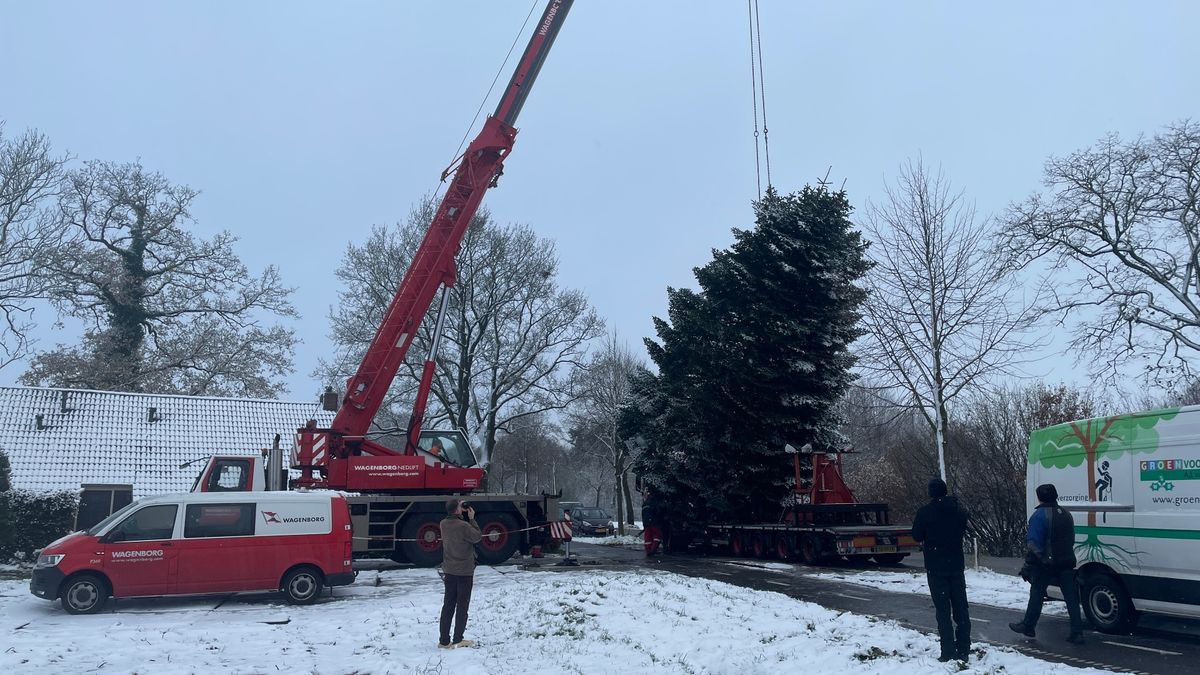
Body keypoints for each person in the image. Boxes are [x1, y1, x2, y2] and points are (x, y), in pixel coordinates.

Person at [1009, 483, 1085, 644]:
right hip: (1067, 561)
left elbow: (1033, 544)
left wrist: (1030, 564)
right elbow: (1071, 538)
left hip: (1046, 563)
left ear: (1039, 497)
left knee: (1037, 594)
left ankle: (1028, 625)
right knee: (1071, 597)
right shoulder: (1066, 514)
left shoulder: (1039, 516)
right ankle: (1077, 631)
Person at [911, 477, 972, 663]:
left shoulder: (925, 513)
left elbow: (916, 535)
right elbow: (963, 527)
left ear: (931, 493)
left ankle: (948, 651)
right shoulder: (959, 511)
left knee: (943, 610)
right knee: (961, 608)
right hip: (956, 565)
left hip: (936, 566)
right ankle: (964, 649)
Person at [438, 498, 482, 649]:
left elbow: (455, 527)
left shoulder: (443, 524)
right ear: (458, 510)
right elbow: (476, 537)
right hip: (464, 571)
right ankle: (458, 639)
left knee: (448, 605)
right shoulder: (464, 525)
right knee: (462, 605)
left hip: (449, 570)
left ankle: (444, 640)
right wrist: (471, 519)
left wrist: (458, 510)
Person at [641, 488, 663, 557]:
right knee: (657, 536)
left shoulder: (644, 504)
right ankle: (653, 550)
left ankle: (648, 551)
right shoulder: (655, 503)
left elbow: (643, 514)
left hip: (646, 524)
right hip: (654, 523)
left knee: (648, 538)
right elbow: (658, 513)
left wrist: (644, 523)